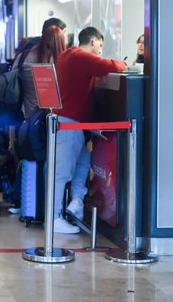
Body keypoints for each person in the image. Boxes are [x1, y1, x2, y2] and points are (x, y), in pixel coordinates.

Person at [53, 26, 126, 234]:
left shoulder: (68, 55)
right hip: (70, 123)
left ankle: (75, 205)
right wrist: (124, 63)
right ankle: (55, 218)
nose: (100, 50)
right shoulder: (79, 56)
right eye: (100, 45)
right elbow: (112, 65)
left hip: (73, 124)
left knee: (83, 165)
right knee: (62, 173)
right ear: (92, 41)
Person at [7, 25, 67, 215]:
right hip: (50, 119)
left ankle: (21, 201)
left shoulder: (24, 56)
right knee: (50, 161)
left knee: (28, 158)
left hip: (26, 117)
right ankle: (47, 205)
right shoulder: (60, 60)